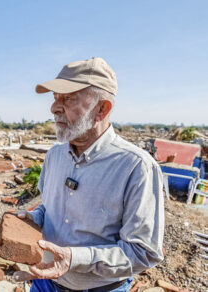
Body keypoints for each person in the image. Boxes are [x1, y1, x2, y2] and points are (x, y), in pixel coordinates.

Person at [14, 57, 164, 292]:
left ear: (102, 108)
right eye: (55, 99)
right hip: (45, 283)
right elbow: (49, 207)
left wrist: (74, 258)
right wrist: (35, 219)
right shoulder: (55, 156)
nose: (54, 108)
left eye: (68, 98)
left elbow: (143, 253)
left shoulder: (136, 167)